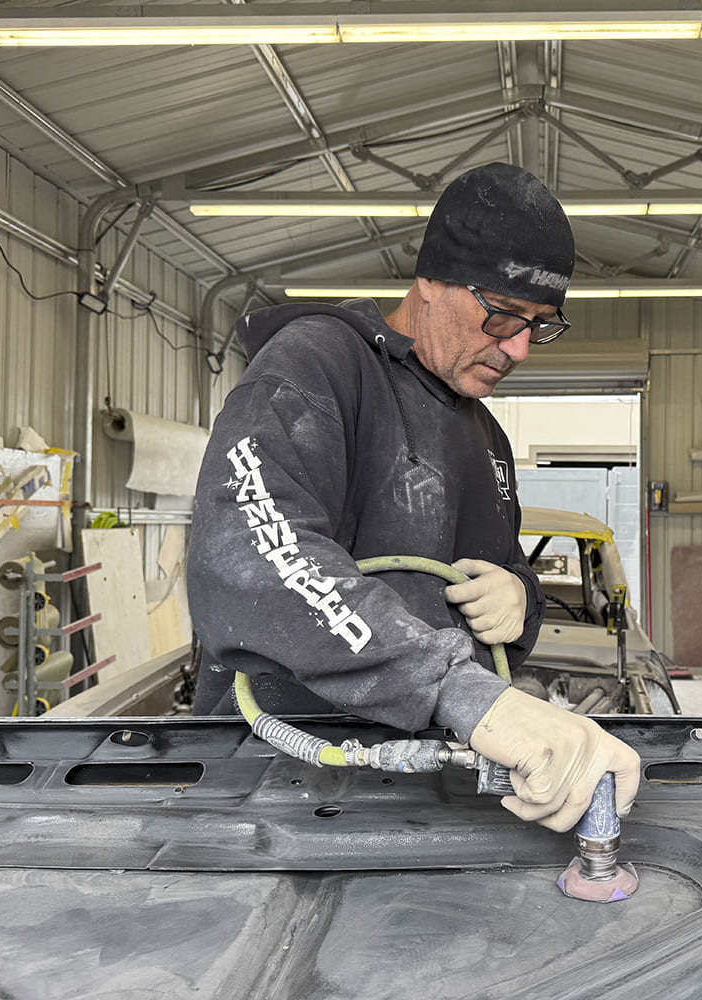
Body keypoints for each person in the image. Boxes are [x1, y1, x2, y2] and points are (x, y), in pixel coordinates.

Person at [187, 161, 640, 832]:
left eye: (539, 325)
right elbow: (253, 548)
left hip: (430, 774)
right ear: (429, 281)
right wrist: (463, 693)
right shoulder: (317, 364)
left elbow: (495, 573)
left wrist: (521, 598)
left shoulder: (483, 431)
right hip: (280, 775)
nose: (517, 348)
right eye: (501, 316)